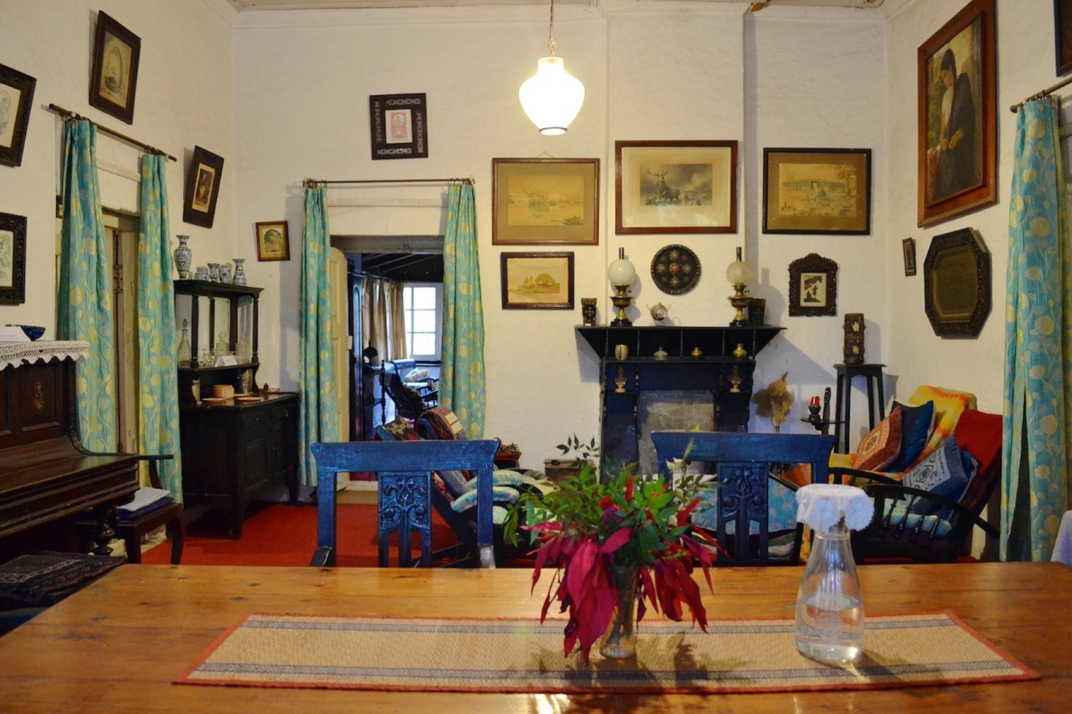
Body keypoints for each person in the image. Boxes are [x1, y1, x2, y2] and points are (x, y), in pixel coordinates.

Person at [932, 48, 979, 202]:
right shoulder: (946, 97)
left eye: (945, 76)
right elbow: (942, 128)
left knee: (953, 166)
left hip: (961, 145)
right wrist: (942, 140)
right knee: (942, 165)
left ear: (951, 70)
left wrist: (957, 137)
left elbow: (969, 122)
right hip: (948, 147)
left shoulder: (963, 87)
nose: (944, 81)